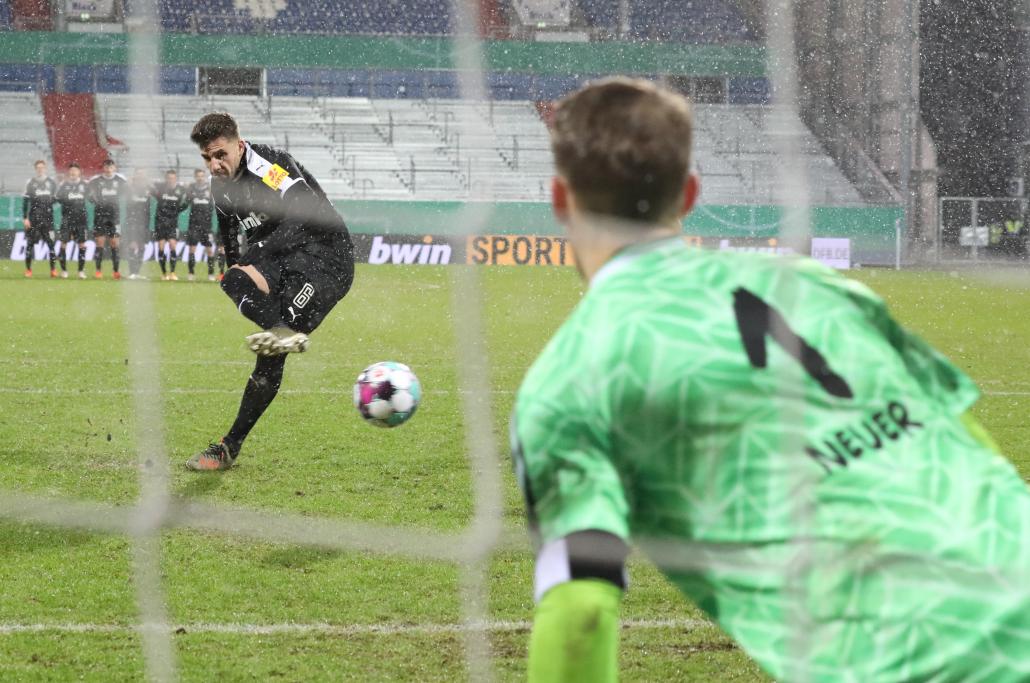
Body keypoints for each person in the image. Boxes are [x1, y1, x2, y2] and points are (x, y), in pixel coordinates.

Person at [512, 78, 1030, 683]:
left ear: (557, 197)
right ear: (691, 192)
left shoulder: (569, 379)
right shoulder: (818, 287)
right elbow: (965, 441)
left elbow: (580, 608)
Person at [185, 112, 355, 471]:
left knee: (271, 357)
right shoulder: (221, 187)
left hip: (325, 257)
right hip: (283, 259)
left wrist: (255, 254)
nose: (214, 165)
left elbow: (303, 213)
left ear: (239, 144)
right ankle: (280, 329)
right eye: (206, 158)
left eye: (220, 155)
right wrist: (239, 268)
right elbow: (231, 238)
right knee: (231, 279)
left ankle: (228, 447)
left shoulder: (268, 166)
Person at [87, 159, 127, 280]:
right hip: (100, 215)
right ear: (103, 168)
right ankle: (98, 271)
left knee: (115, 243)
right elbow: (88, 194)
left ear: (114, 168)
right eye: (106, 167)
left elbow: (127, 192)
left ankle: (116, 271)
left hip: (114, 216)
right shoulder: (95, 180)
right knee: (100, 243)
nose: (108, 169)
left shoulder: (121, 180)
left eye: (111, 167)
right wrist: (94, 200)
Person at [22, 159, 58, 278]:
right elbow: (25, 201)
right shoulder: (30, 183)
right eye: (38, 168)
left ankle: (53, 270)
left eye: (42, 167)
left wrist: (50, 205)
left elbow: (56, 199)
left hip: (48, 219)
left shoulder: (51, 183)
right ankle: (28, 270)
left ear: (45, 168)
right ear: (35, 169)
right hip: (33, 219)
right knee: (30, 245)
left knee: (51, 245)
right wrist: (25, 218)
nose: (40, 170)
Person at [55, 162, 90, 279]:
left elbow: (91, 197)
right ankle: (64, 271)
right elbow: (58, 198)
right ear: (69, 172)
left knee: (82, 244)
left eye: (75, 170)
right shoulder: (63, 185)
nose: (73, 172)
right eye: (71, 170)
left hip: (81, 220)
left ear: (79, 172)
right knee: (63, 243)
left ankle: (80, 271)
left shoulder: (85, 185)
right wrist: (68, 201)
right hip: (67, 219)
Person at [151, 169, 188, 281]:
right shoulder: (161, 188)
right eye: (168, 178)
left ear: (175, 179)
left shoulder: (180, 190)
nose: (170, 180)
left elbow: (186, 203)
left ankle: (172, 272)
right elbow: (151, 189)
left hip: (172, 223)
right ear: (166, 178)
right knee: (161, 247)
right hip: (160, 223)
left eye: (172, 178)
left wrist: (176, 211)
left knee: (172, 245)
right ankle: (163, 273)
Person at [184, 168, 219, 281]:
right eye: (198, 176)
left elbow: (214, 205)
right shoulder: (191, 188)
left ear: (204, 177)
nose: (200, 177)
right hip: (193, 224)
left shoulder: (210, 189)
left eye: (202, 176)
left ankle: (211, 274)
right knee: (192, 249)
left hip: (206, 225)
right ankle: (191, 273)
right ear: (195, 177)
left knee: (209, 250)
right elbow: (185, 203)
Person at [124, 169, 153, 280]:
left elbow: (159, 192)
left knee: (141, 246)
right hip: (132, 221)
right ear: (134, 175)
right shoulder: (129, 187)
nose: (140, 175)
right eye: (138, 173)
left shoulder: (148, 188)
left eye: (142, 173)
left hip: (144, 221)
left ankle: (137, 272)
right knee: (132, 245)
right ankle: (132, 272)